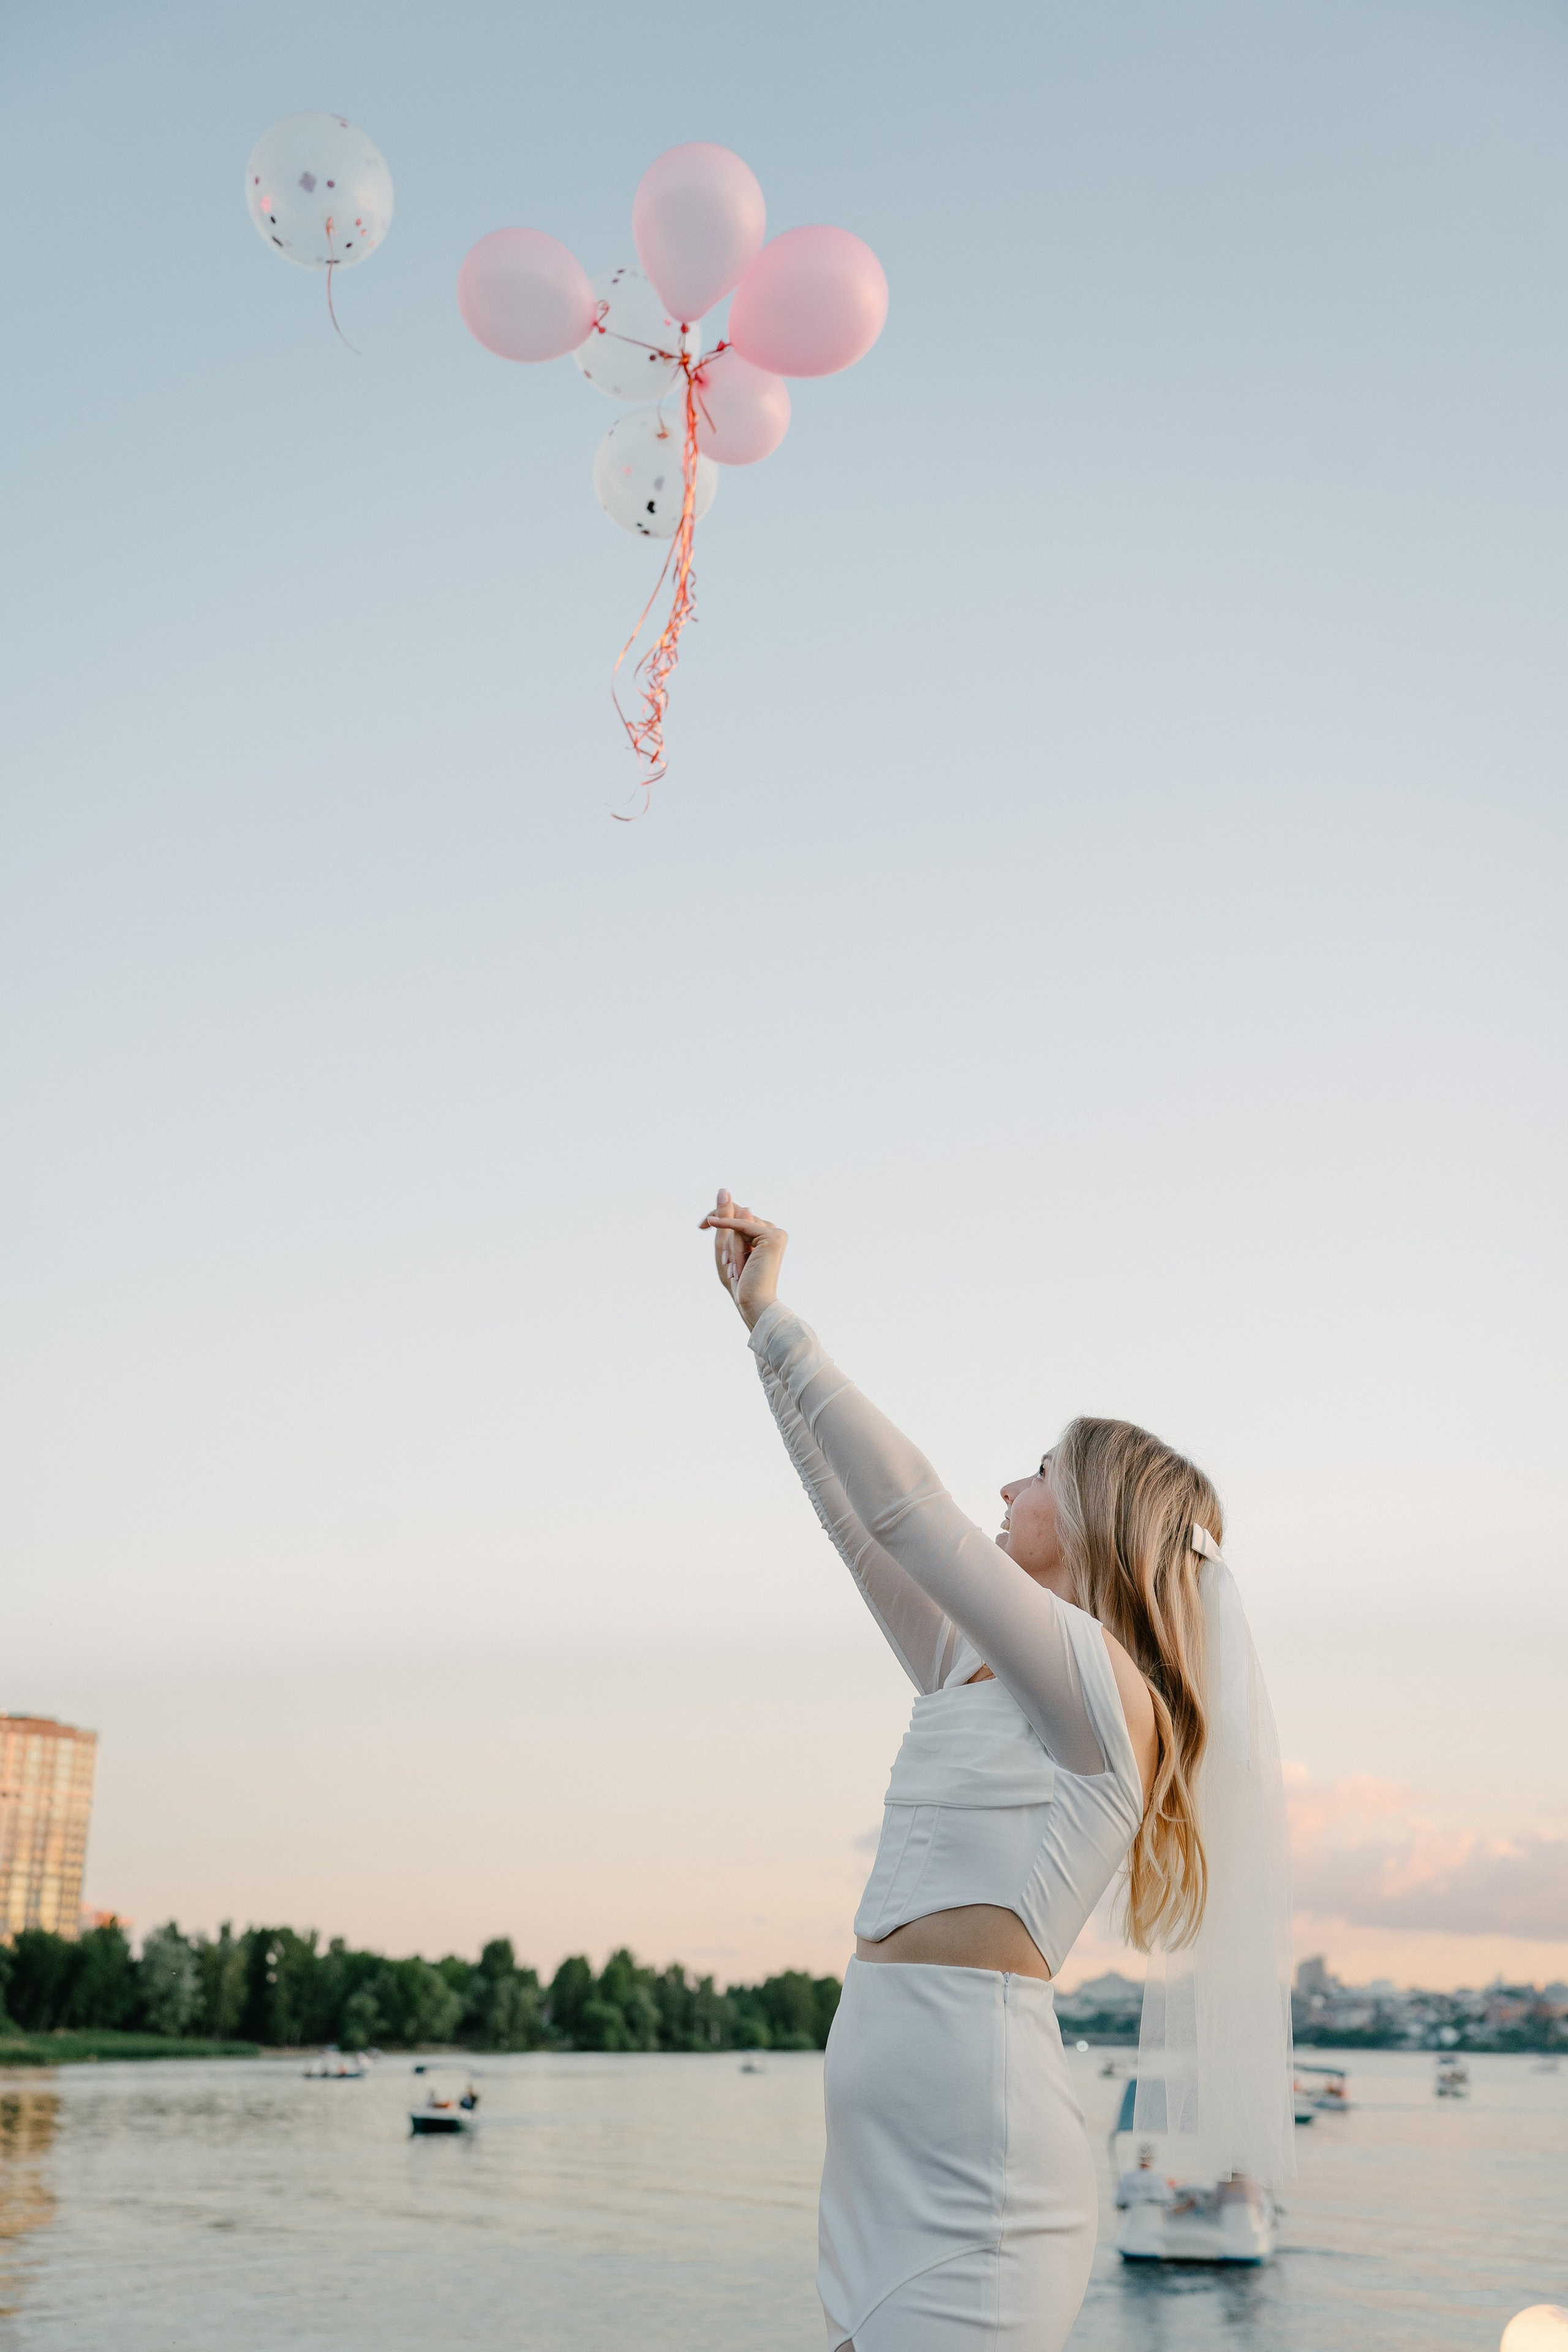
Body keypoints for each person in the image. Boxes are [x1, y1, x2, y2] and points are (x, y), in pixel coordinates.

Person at [699, 1190, 1292, 2352]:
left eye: (1034, 1473)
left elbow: (909, 1510)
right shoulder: (968, 1664)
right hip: (884, 2172)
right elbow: (856, 1523)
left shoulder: (1107, 1693)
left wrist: (785, 1329)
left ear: (1098, 1519)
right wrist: (753, 1325)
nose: (1006, 1491)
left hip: (980, 2185)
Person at [1114, 2146, 1173, 2211]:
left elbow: (1119, 2202)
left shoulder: (1127, 2177)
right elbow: (1168, 2202)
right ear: (1152, 2159)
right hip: (1153, 2217)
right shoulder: (1158, 2178)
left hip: (1133, 2216)